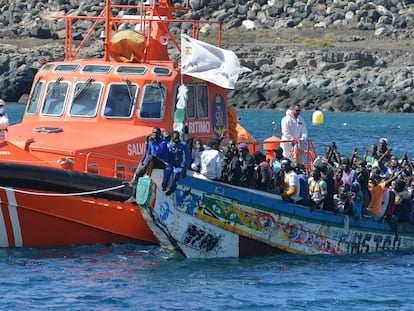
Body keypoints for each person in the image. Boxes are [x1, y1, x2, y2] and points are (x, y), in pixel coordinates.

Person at [125, 127, 168, 202]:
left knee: (151, 158)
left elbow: (156, 154)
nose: (154, 135)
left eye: (156, 133)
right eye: (153, 133)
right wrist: (143, 163)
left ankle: (137, 176)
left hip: (161, 162)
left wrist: (154, 143)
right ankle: (133, 194)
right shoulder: (151, 141)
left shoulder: (163, 143)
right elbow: (148, 153)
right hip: (151, 161)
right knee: (141, 167)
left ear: (159, 134)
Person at [162, 130, 190, 195]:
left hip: (180, 165)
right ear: (172, 138)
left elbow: (187, 158)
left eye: (178, 138)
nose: (177, 140)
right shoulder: (168, 145)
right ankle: (164, 185)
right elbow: (166, 157)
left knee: (177, 173)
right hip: (171, 163)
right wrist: (170, 162)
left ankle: (172, 189)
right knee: (168, 170)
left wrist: (185, 169)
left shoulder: (184, 145)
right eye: (175, 138)